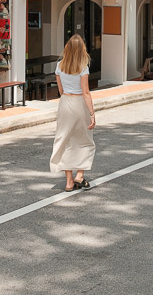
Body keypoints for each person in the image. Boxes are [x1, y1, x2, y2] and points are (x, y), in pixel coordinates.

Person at [49, 33, 96, 191]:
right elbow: (86, 92)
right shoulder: (83, 66)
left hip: (65, 103)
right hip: (79, 103)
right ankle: (80, 175)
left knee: (65, 140)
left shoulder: (60, 65)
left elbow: (60, 90)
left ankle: (69, 182)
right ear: (81, 49)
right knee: (84, 140)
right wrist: (92, 113)